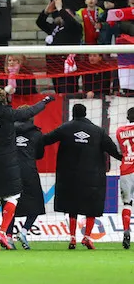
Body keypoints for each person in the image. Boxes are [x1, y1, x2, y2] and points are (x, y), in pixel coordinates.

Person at [0, 88, 51, 250]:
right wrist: (45, 101)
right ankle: (2, 232)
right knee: (13, 196)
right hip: (8, 160)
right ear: (4, 100)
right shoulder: (8, 114)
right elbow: (30, 111)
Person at [42, 103, 122, 250]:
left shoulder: (65, 128)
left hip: (69, 176)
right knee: (92, 206)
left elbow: (46, 140)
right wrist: (127, 159)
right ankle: (87, 237)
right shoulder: (98, 131)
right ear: (85, 114)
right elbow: (113, 151)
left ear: (73, 113)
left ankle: (72, 237)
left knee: (72, 205)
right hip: (93, 177)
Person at [12, 110, 44, 251]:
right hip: (30, 171)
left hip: (11, 171)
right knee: (36, 204)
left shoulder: (9, 132)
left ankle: (7, 236)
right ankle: (24, 231)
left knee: (10, 204)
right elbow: (40, 154)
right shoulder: (37, 133)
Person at [115, 107, 134, 249]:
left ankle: (126, 230)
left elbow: (117, 151)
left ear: (128, 117)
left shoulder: (120, 131)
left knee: (127, 203)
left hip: (126, 170)